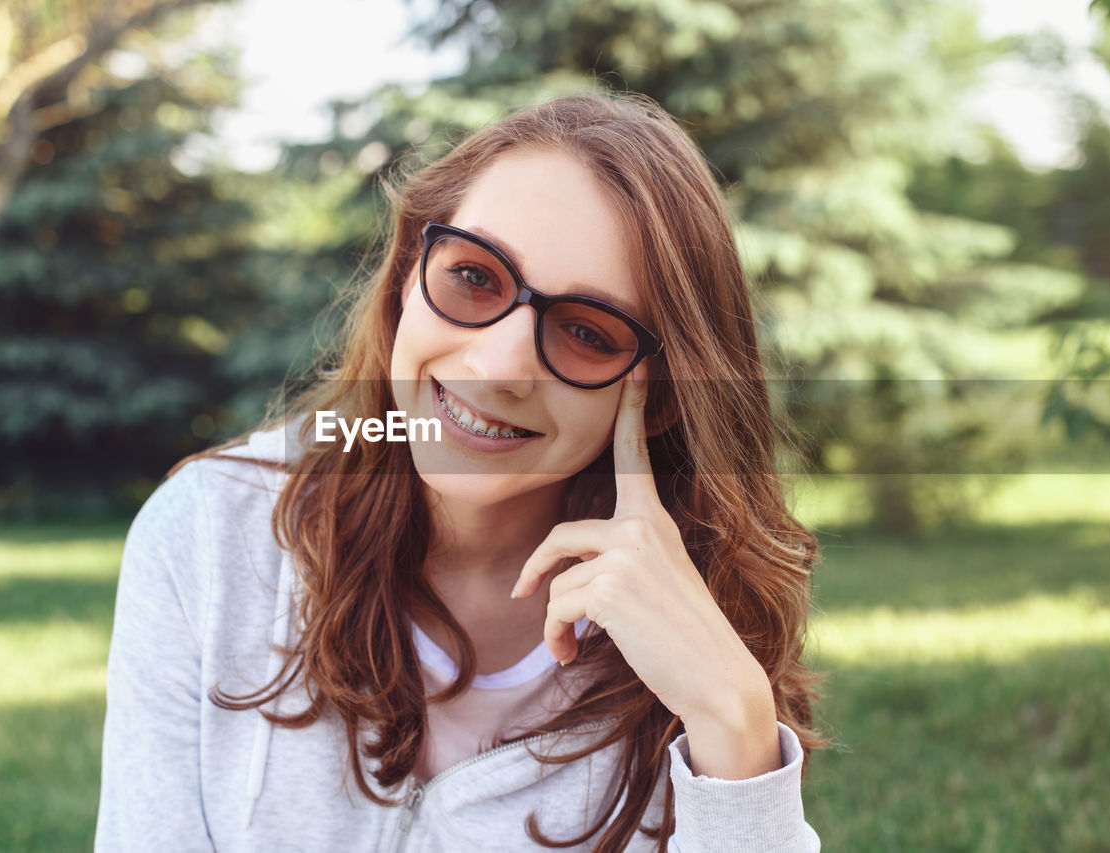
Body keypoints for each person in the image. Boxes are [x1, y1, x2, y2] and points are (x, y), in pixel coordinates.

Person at [95, 92, 824, 852]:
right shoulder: (212, 531)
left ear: (666, 395)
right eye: (475, 277)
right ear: (409, 273)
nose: (499, 365)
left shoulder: (689, 618)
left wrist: (734, 724)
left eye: (585, 331)